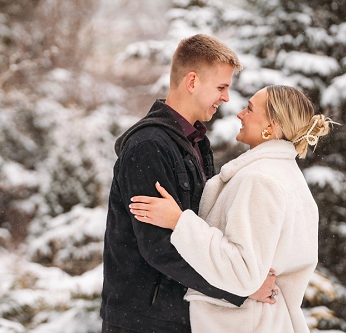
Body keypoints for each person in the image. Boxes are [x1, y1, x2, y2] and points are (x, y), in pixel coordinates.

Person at [100, 34, 278, 333]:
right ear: (192, 82)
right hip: (143, 321)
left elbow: (199, 228)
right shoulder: (149, 146)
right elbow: (159, 247)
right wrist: (240, 289)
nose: (226, 98)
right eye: (221, 87)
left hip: (179, 316)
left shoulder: (196, 143)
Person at [129, 85, 338, 332]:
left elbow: (243, 273)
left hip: (248, 324)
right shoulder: (289, 178)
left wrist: (180, 222)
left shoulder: (260, 181)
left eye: (249, 109)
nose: (240, 114)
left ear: (271, 127)